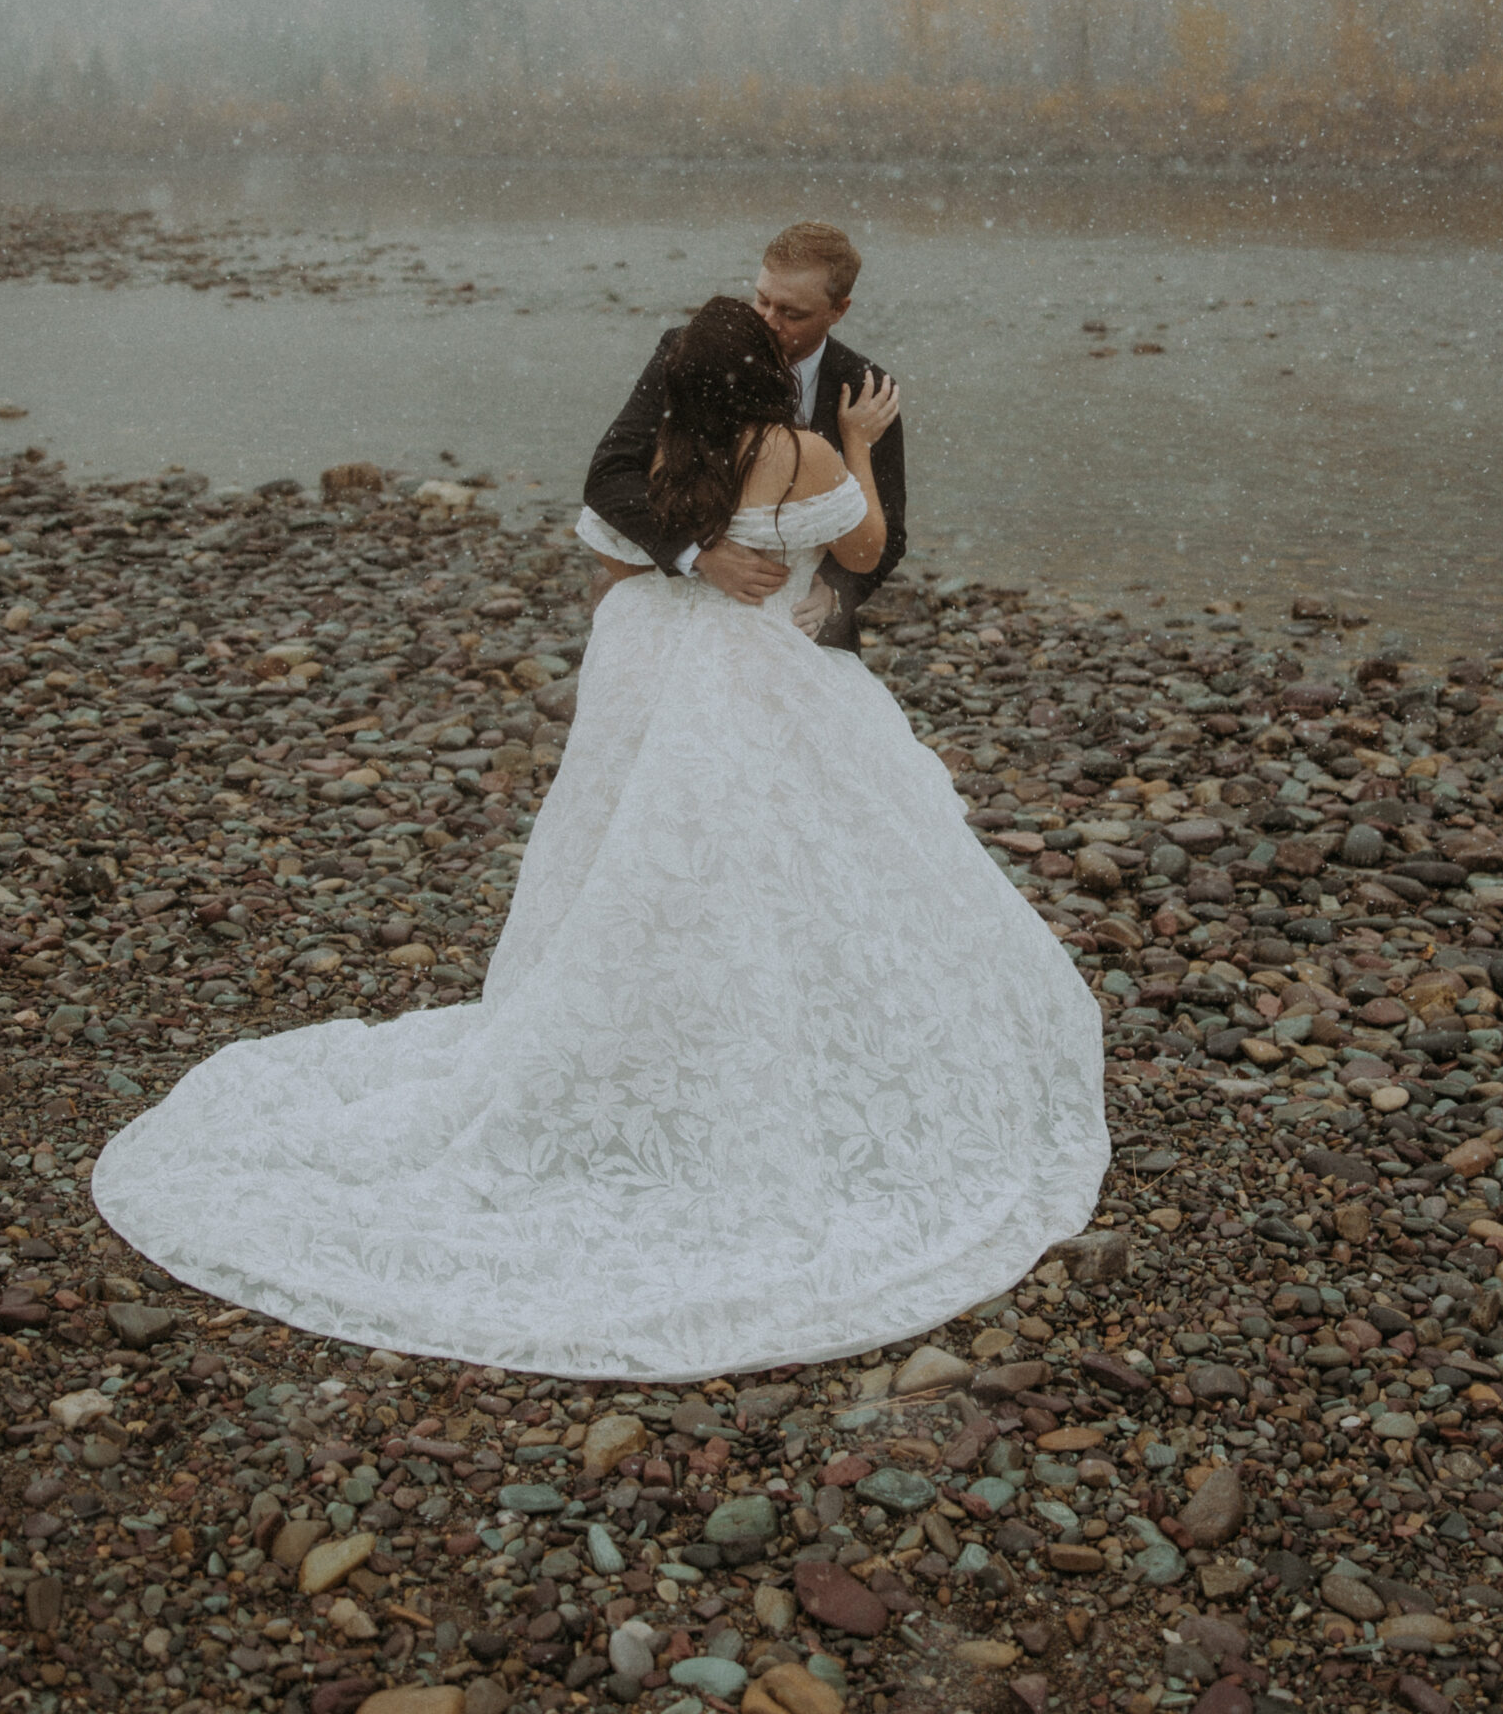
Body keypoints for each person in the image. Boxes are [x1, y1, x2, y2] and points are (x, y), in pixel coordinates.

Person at [92, 298, 1107, 1382]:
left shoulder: (672, 452)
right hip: (759, 678)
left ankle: (637, 1025)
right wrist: (856, 445)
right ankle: (764, 1039)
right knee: (791, 864)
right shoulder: (802, 447)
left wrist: (696, 558)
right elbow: (864, 544)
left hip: (664, 672)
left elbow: (616, 567)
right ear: (767, 367)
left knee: (645, 864)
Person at [585, 218, 905, 651]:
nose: (769, 323)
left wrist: (834, 590)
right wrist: (698, 554)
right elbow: (609, 475)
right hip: (686, 626)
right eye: (762, 300)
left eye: (792, 313)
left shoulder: (866, 389)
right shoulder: (692, 352)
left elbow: (888, 532)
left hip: (803, 636)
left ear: (839, 310)